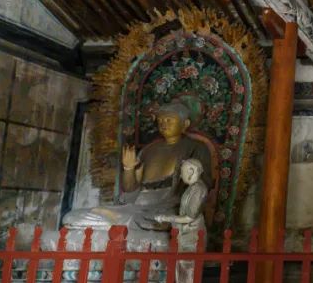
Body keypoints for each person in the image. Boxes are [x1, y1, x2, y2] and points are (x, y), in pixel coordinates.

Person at [63, 99, 213, 233]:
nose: (163, 124)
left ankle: (121, 223)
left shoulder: (196, 148)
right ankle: (118, 221)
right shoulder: (148, 150)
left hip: (165, 209)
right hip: (135, 206)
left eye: (169, 120)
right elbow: (130, 190)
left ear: (185, 124)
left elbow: (200, 188)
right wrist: (128, 169)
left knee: (141, 219)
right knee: (72, 217)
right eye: (160, 120)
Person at [152, 158, 209, 283]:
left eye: (184, 170)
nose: (181, 174)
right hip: (184, 237)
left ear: (193, 171)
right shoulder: (190, 189)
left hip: (192, 238)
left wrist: (166, 218)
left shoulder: (199, 189)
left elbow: (190, 216)